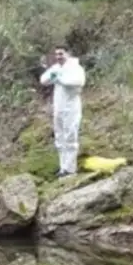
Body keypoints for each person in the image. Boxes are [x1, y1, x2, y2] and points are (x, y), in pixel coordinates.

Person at [39, 46, 86, 178]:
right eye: (57, 54)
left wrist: (60, 79)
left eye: (61, 54)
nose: (58, 57)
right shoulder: (56, 68)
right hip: (58, 107)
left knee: (70, 136)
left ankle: (70, 169)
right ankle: (63, 167)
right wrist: (53, 76)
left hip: (71, 107)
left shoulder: (76, 68)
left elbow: (78, 82)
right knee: (59, 137)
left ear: (68, 54)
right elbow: (43, 80)